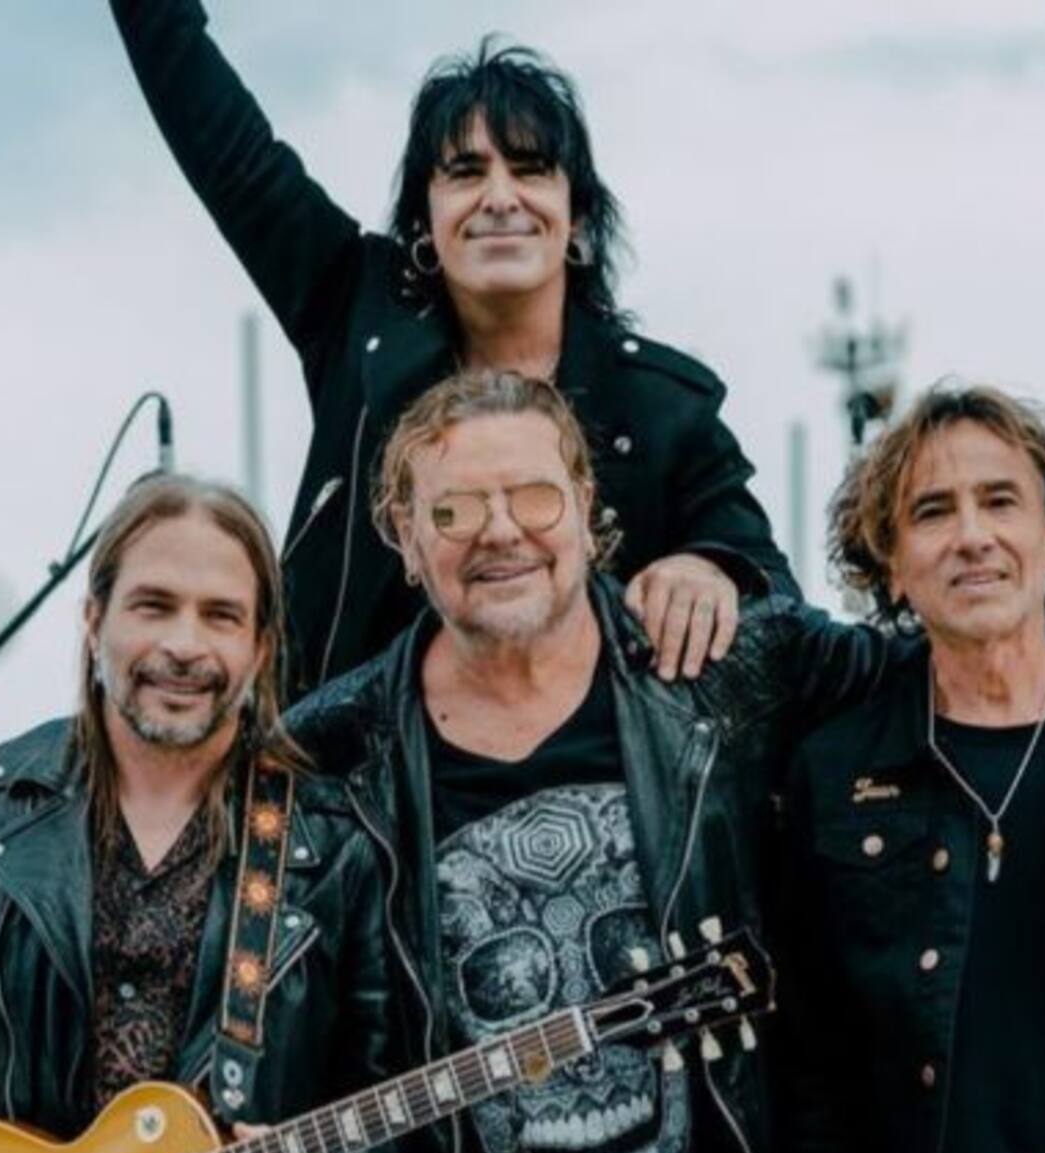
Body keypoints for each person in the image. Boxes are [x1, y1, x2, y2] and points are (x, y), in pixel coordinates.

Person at [284, 370, 1045, 1153]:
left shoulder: (729, 669)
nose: (501, 530)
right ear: (403, 536)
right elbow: (327, 1034)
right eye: (454, 510)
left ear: (587, 508)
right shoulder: (334, 751)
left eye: (534, 495)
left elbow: (967, 644)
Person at [108, 0, 799, 700]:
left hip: (588, 765)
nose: (500, 197)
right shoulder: (353, 309)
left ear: (577, 216)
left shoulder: (661, 405)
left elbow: (773, 590)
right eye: (466, 172)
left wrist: (712, 569)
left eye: (530, 169)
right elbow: (221, 139)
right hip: (343, 760)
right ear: (424, 220)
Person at [781, 384, 1045, 1153]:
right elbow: (813, 1068)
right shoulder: (835, 771)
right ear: (890, 564)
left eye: (1000, 501)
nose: (971, 537)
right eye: (932, 512)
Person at [0, 476, 398, 1153]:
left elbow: (394, 1116)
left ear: (260, 648)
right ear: (94, 621)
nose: (183, 645)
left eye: (221, 616)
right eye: (154, 606)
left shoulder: (335, 849)